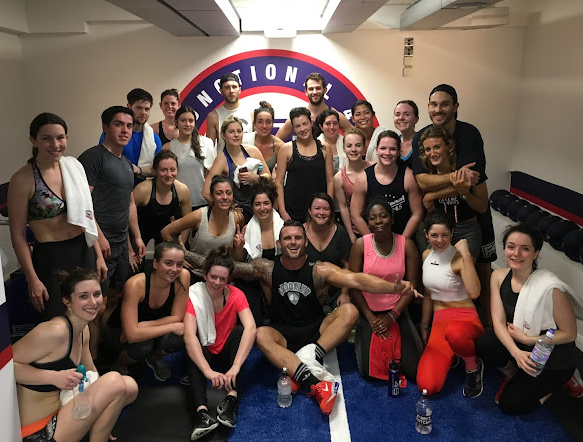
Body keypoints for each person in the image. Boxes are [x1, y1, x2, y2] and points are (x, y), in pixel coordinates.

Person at [183, 221, 420, 416]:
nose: (293, 242)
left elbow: (356, 279)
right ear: (279, 243)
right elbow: (225, 267)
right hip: (282, 334)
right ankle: (313, 382)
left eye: (298, 238)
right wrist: (183, 254)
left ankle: (308, 357)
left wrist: (393, 287)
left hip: (315, 331)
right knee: (260, 334)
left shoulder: (320, 269)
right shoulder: (266, 268)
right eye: (287, 238)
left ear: (306, 242)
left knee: (350, 311)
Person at [476, 224, 583, 414]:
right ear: (504, 249)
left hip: (553, 357)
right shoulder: (498, 276)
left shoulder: (551, 288)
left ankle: (566, 378)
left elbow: (569, 334)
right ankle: (513, 374)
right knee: (484, 342)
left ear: (536, 253)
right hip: (521, 348)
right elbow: (498, 321)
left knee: (510, 405)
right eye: (511, 247)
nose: (516, 253)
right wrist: (516, 352)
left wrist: (528, 339)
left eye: (525, 248)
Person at [13, 267, 138, 442]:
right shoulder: (54, 331)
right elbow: (8, 367)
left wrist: (106, 417)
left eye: (96, 294)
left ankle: (99, 430)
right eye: (83, 296)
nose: (93, 302)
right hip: (39, 432)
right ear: (67, 300)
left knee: (130, 386)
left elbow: (91, 372)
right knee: (115, 382)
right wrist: (53, 377)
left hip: (64, 412)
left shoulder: (83, 329)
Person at [411, 84, 496, 324]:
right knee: (437, 277)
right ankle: (434, 325)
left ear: (456, 106)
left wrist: (435, 195)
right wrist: (455, 182)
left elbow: (471, 180)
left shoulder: (469, 134)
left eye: (445, 104)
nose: (438, 109)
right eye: (434, 104)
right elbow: (423, 181)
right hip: (440, 225)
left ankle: (487, 327)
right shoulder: (421, 136)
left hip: (470, 221)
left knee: (479, 273)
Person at [8, 113, 106, 319]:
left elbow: (87, 215)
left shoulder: (73, 168)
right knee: (59, 319)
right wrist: (32, 279)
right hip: (51, 258)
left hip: (83, 249)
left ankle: (91, 344)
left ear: (67, 138)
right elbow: (17, 235)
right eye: (46, 138)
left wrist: (98, 254)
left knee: (93, 313)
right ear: (33, 140)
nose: (55, 144)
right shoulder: (23, 179)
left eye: (60, 138)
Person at [79, 106, 146, 358]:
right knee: (96, 306)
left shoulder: (125, 164)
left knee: (114, 299)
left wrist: (135, 238)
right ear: (105, 127)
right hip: (98, 245)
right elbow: (83, 204)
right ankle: (91, 360)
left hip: (120, 244)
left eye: (129, 126)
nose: (125, 130)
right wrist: (99, 237)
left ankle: (100, 349)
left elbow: (129, 204)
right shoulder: (93, 158)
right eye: (119, 124)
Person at [184, 246, 256, 440]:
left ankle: (230, 400)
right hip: (205, 350)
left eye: (222, 279)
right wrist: (208, 371)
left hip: (226, 351)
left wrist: (235, 366)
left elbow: (251, 328)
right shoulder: (194, 295)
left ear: (228, 280)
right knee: (193, 349)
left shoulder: (236, 295)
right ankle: (201, 413)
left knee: (240, 331)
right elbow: (189, 336)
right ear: (205, 275)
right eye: (213, 277)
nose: (217, 282)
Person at [349, 197, 422, 381]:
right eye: (373, 218)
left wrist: (393, 316)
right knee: (369, 373)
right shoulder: (360, 245)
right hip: (369, 313)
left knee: (413, 371)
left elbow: (411, 286)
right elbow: (353, 285)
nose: (378, 221)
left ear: (392, 219)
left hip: (398, 311)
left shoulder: (407, 245)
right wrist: (369, 317)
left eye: (383, 216)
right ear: (368, 222)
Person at [416, 211, 484, 398]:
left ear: (452, 233)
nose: (440, 240)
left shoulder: (460, 258)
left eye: (445, 235)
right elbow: (428, 295)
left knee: (455, 334)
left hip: (465, 321)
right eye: (434, 235)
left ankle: (473, 368)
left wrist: (467, 254)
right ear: (426, 234)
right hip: (440, 322)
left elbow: (474, 292)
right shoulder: (426, 255)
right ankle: (455, 353)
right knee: (427, 386)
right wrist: (424, 326)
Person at [104, 241, 189, 380]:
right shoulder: (135, 284)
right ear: (155, 263)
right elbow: (131, 335)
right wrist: (171, 326)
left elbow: (177, 317)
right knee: (144, 345)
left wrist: (144, 325)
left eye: (179, 264)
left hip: (146, 327)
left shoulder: (183, 276)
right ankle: (119, 363)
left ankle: (154, 357)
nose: (174, 269)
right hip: (119, 332)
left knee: (180, 336)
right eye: (168, 263)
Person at [419, 126, 489, 258]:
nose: (432, 153)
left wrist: (465, 193)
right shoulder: (428, 178)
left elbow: (482, 207)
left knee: (460, 268)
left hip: (466, 229)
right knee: (431, 265)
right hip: (440, 232)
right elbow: (429, 211)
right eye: (428, 149)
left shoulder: (466, 172)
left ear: (449, 146)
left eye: (437, 147)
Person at [350, 130, 423, 239]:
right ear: (376, 150)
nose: (387, 153)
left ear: (399, 152)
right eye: (383, 148)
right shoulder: (363, 179)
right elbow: (355, 215)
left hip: (404, 236)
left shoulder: (408, 177)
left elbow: (417, 213)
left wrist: (402, 241)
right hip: (374, 238)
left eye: (392, 149)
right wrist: (372, 241)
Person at [203, 116, 271, 223]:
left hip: (259, 205)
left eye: (239, 131)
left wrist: (256, 178)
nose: (236, 135)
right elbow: (206, 192)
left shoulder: (253, 151)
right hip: (240, 211)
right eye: (231, 132)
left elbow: (268, 176)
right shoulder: (222, 160)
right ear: (223, 135)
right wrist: (225, 207)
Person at [233, 180, 284, 325]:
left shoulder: (284, 228)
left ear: (272, 204)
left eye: (266, 203)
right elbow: (240, 261)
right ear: (252, 206)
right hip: (253, 282)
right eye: (257, 204)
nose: (262, 208)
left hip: (279, 280)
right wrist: (238, 247)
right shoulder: (246, 229)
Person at [132, 149, 192, 270]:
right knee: (135, 266)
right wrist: (130, 248)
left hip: (166, 232)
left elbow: (187, 222)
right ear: (155, 171)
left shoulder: (182, 190)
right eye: (163, 170)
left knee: (172, 266)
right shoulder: (142, 190)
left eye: (173, 170)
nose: (169, 174)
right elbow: (126, 219)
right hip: (140, 231)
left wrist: (180, 248)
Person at [276, 107, 334, 223]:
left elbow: (330, 181)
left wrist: (329, 209)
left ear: (311, 123)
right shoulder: (286, 149)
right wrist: (282, 211)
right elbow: (279, 182)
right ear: (293, 128)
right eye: (298, 126)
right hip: (292, 210)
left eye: (305, 124)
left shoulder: (325, 148)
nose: (302, 129)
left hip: (319, 212)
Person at [161, 175, 244, 257]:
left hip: (224, 265)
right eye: (219, 193)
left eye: (228, 193)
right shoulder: (198, 216)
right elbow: (166, 232)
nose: (225, 197)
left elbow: (238, 257)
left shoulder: (237, 218)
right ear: (211, 196)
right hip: (195, 265)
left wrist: (239, 248)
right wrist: (179, 257)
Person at [99, 88, 162, 182]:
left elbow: (159, 169)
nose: (143, 113)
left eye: (147, 109)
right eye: (139, 108)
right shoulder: (113, 133)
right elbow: (102, 162)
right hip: (113, 186)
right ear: (129, 107)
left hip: (142, 188)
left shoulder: (154, 139)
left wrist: (139, 170)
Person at [304, 193, 352, 312]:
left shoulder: (340, 232)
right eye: (317, 208)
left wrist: (345, 293)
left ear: (331, 212)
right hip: (307, 291)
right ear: (309, 210)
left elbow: (347, 266)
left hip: (337, 291)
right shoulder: (300, 233)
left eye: (326, 209)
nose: (321, 212)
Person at [163, 106, 216, 212]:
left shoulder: (207, 143)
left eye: (191, 121)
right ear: (176, 122)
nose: (187, 124)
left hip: (204, 201)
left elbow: (211, 174)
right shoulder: (168, 147)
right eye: (183, 120)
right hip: (179, 202)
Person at [275, 73, 353, 141]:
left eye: (318, 88)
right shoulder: (298, 117)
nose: (315, 92)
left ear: (325, 90)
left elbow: (356, 137)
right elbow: (276, 140)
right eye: (311, 89)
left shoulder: (336, 116)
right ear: (306, 92)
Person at [333, 128, 371, 243]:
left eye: (358, 145)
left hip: (378, 226)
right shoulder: (339, 178)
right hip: (356, 230)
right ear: (344, 148)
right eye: (349, 146)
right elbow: (343, 207)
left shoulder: (374, 169)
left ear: (364, 147)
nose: (353, 149)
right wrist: (350, 233)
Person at [205, 73, 252, 151]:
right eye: (227, 87)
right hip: (224, 158)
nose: (231, 91)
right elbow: (209, 149)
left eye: (234, 87)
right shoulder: (213, 116)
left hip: (248, 158)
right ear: (221, 91)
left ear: (239, 90)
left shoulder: (251, 114)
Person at [242, 101, 284, 177]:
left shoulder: (279, 146)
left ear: (272, 124)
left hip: (269, 184)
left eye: (268, 122)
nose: (264, 126)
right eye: (260, 122)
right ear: (254, 124)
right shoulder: (244, 141)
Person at [393, 100, 420, 168]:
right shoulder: (393, 143)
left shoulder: (423, 143)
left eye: (407, 114)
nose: (401, 118)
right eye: (397, 114)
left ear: (416, 119)